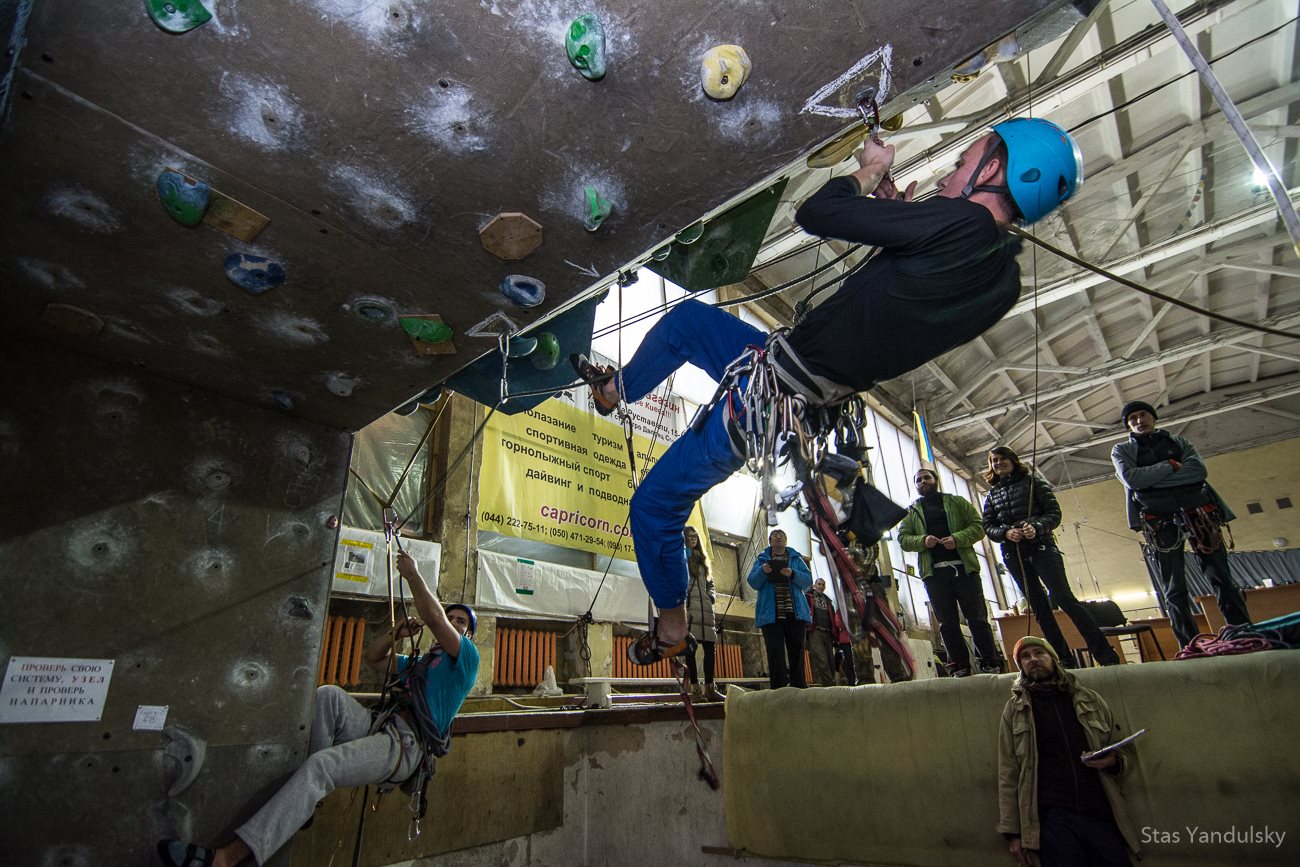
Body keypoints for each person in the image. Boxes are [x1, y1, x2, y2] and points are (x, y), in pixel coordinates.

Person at [574, 117, 1084, 662]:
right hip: (787, 373)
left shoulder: (966, 226)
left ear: (996, 169)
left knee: (654, 504)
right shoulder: (999, 280)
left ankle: (673, 623)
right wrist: (903, 221)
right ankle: (616, 389)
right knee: (687, 324)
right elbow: (901, 302)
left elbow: (816, 212)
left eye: (962, 164)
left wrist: (869, 175)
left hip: (772, 397)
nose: (948, 174)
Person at [157, 551, 479, 867]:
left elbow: (434, 618)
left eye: (461, 622)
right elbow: (375, 659)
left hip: (404, 746)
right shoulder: (422, 663)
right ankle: (307, 799)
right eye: (452, 617)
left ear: (469, 634)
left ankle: (227, 859)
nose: (453, 622)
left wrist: (411, 575)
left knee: (321, 766)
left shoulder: (466, 660)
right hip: (380, 725)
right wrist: (394, 635)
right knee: (329, 697)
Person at [1110, 400, 1249, 648]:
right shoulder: (1121, 451)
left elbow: (1198, 471)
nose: (1139, 421)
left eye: (1143, 415)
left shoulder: (1179, 442)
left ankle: (1242, 631)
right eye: (1132, 419)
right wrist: (1171, 467)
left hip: (1200, 513)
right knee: (1173, 587)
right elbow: (1132, 480)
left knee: (1222, 577)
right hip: (1159, 522)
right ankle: (1189, 643)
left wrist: (1152, 480)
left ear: (1153, 417)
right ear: (1127, 425)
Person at [997, 636, 1140, 866]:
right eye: (1025, 656)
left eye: (1039, 653)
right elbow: (1008, 771)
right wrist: (1013, 833)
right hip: (1053, 817)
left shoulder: (1089, 700)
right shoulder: (1016, 710)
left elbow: (1124, 748)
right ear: (1020, 667)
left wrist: (1113, 761)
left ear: (1053, 658)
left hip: (1099, 810)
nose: (1033, 659)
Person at [982, 447, 1120, 667]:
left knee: (1064, 598)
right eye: (994, 460)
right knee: (1039, 607)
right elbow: (988, 526)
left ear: (1013, 459)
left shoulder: (1035, 483)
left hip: (1042, 547)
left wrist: (1036, 527)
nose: (998, 463)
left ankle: (1106, 656)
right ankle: (1063, 660)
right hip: (1014, 552)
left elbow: (1054, 514)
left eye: (1002, 458)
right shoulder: (992, 494)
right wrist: (1006, 533)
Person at [899, 467, 1004, 675]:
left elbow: (978, 526)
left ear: (936, 480)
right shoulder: (912, 512)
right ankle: (960, 664)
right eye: (918, 480)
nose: (923, 482)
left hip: (964, 570)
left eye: (926, 477)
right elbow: (903, 538)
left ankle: (990, 661)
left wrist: (957, 539)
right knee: (947, 623)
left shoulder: (957, 503)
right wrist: (922, 540)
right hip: (934, 574)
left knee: (977, 618)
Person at [747, 528, 813, 688]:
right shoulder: (761, 560)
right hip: (771, 615)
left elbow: (807, 581)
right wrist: (763, 571)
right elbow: (753, 582)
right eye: (775, 536)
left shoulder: (796, 559)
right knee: (775, 653)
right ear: (769, 541)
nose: (778, 538)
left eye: (781, 535)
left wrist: (792, 573)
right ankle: (778, 688)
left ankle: (799, 686)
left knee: (797, 652)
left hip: (795, 614)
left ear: (786, 541)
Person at [683, 526, 721, 701]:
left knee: (709, 649)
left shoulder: (703, 560)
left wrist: (711, 597)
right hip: (690, 609)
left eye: (695, 536)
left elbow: (710, 584)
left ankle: (710, 689)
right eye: (689, 536)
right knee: (690, 649)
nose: (692, 539)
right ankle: (695, 690)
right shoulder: (681, 558)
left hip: (706, 609)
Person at [805, 578, 839, 686]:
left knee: (830, 660)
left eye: (823, 585)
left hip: (828, 632)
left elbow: (832, 616)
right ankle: (828, 684)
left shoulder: (828, 601)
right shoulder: (808, 597)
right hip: (815, 631)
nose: (820, 586)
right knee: (821, 658)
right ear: (815, 586)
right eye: (819, 584)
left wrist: (835, 634)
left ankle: (827, 682)